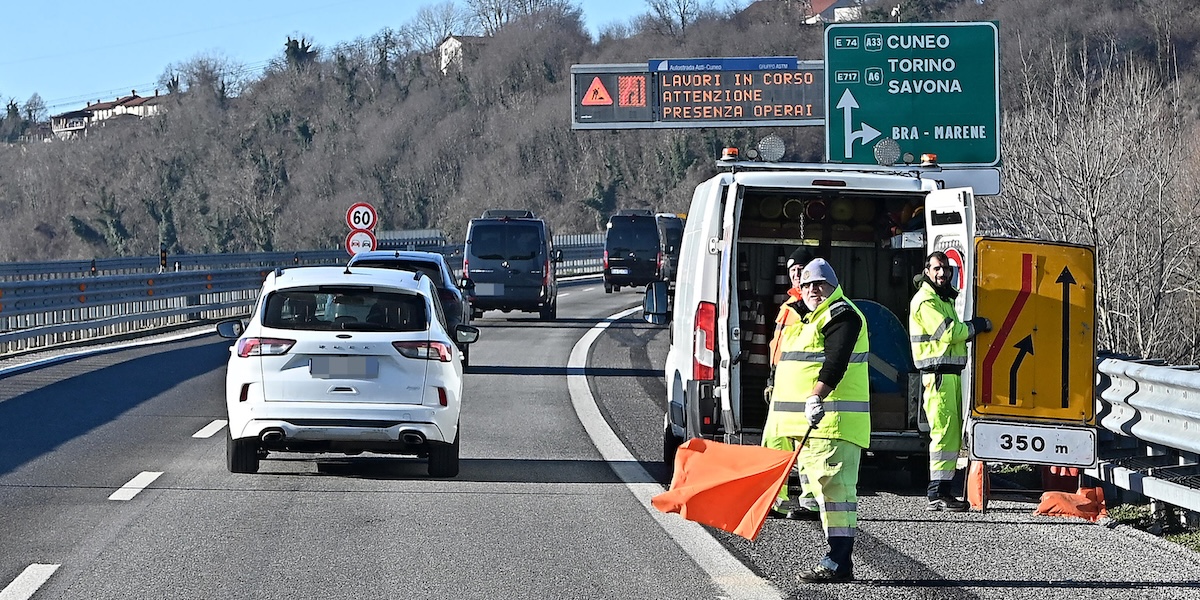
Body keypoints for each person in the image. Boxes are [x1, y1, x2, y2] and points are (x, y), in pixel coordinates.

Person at [762, 258, 870, 583]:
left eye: (820, 285)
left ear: (834, 286)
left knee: (836, 494)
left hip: (833, 422)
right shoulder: (810, 317)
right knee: (828, 495)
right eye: (808, 285)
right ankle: (838, 560)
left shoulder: (842, 314)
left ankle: (838, 561)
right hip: (815, 428)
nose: (814, 290)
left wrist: (816, 395)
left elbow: (836, 360)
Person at [909, 251, 991, 512]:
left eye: (946, 268)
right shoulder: (926, 301)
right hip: (938, 375)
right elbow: (948, 334)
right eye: (937, 269)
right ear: (927, 271)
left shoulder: (942, 299)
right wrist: (977, 326)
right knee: (943, 432)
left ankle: (943, 490)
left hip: (949, 375)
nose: (942, 273)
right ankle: (937, 492)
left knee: (951, 434)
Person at [762, 247, 819, 520]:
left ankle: (810, 502)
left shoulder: (814, 305)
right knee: (775, 443)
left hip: (804, 388)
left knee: (807, 447)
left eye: (801, 271)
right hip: (782, 386)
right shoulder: (789, 306)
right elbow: (779, 348)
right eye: (793, 271)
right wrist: (772, 379)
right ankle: (775, 500)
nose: (795, 276)